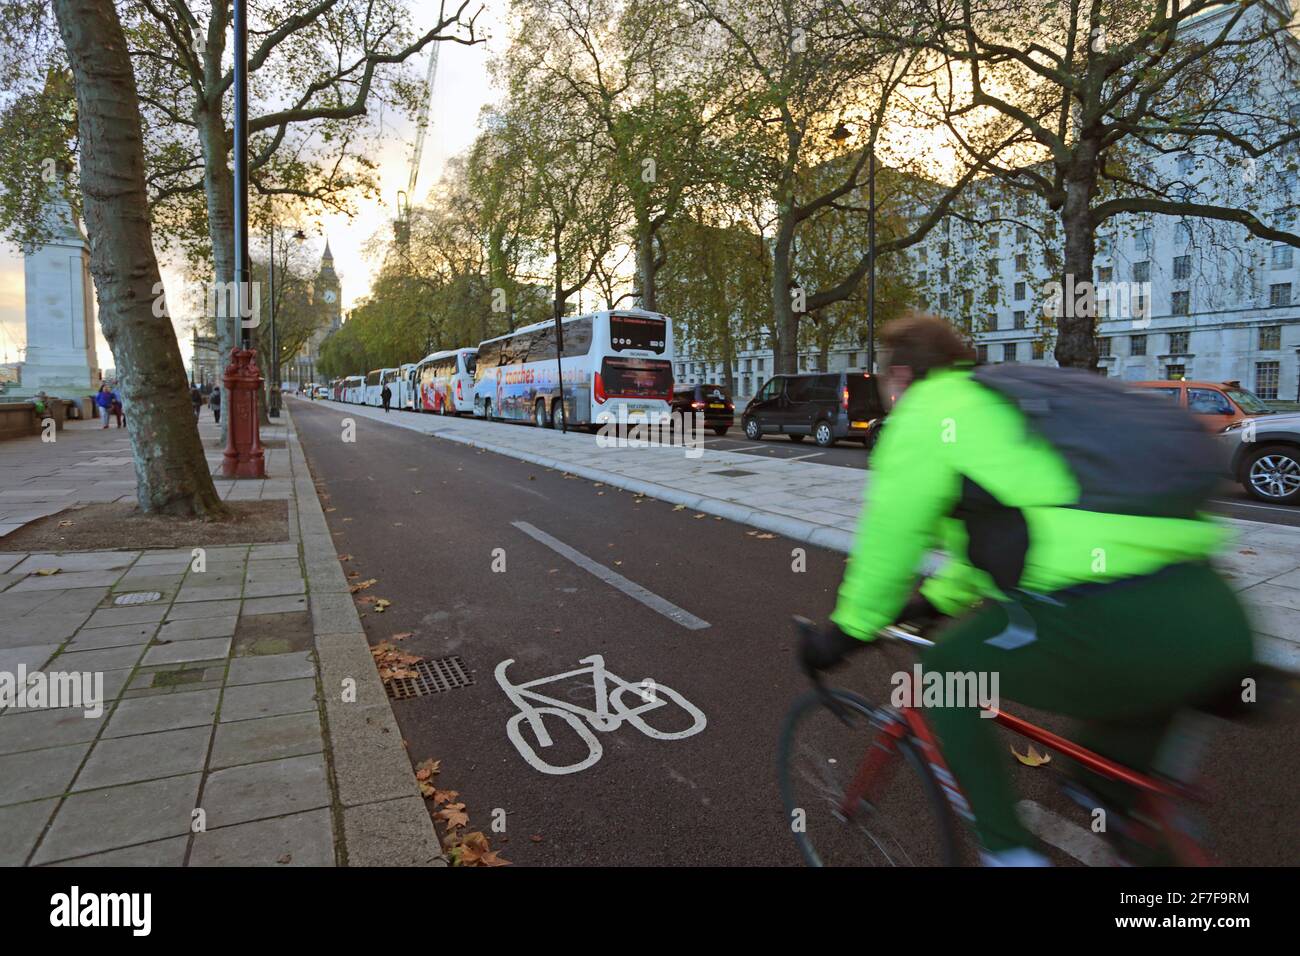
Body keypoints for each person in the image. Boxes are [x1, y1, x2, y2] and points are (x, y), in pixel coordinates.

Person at [800, 313, 1254, 867]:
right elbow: (1001, 530)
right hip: (1214, 614)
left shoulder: (926, 412)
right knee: (1114, 793)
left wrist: (844, 634)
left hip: (1106, 613)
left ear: (899, 374)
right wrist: (935, 602)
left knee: (946, 676)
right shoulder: (1004, 400)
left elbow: (890, 538)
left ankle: (1009, 855)